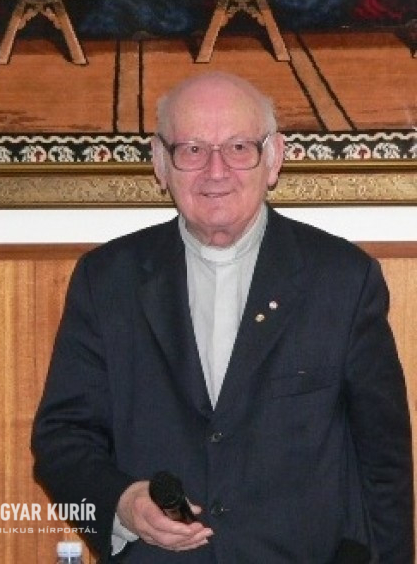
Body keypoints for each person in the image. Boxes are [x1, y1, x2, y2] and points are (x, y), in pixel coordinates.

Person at [31, 72, 414, 563]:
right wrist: (122, 503)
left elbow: (383, 463)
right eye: (192, 149)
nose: (216, 171)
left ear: (273, 158)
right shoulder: (106, 280)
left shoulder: (343, 279)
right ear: (160, 162)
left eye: (238, 147)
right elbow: (63, 438)